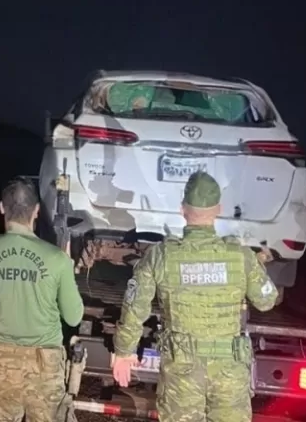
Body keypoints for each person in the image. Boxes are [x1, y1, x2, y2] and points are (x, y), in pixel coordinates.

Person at [111, 171, 278, 422]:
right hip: (229, 371)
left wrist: (124, 351)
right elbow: (266, 300)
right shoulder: (240, 255)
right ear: (218, 209)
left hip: (182, 369)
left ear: (182, 209)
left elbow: (135, 306)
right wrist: (257, 263)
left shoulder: (161, 255)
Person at [0, 176, 85, 421]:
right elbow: (74, 316)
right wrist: (68, 269)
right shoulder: (56, 259)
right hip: (45, 370)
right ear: (36, 210)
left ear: (2, 208)